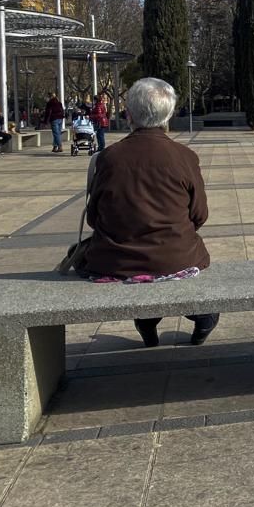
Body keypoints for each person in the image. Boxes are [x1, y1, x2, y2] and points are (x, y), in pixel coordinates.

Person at [81, 77, 219, 347]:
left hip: (117, 260)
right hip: (178, 255)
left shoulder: (109, 157)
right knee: (169, 262)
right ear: (168, 115)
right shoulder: (184, 156)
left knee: (142, 268)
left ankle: (147, 320)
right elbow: (200, 214)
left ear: (129, 113)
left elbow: (94, 217)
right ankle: (202, 316)